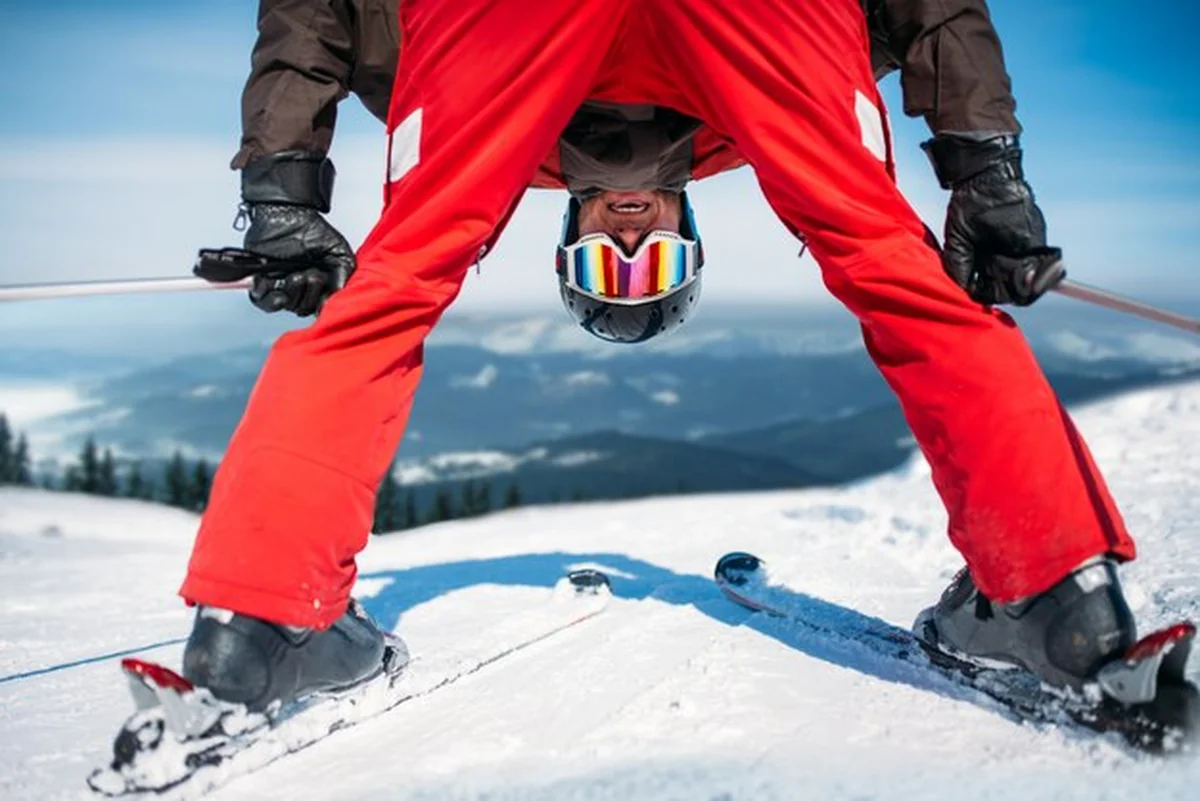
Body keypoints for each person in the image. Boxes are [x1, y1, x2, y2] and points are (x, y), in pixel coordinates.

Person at [181, 0, 1138, 711]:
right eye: (646, 263)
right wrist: (984, 169)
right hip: (761, 22)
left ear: (563, 228)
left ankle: (268, 614)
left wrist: (284, 185)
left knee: (386, 298)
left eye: (609, 262)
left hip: (498, 27)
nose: (629, 241)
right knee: (900, 273)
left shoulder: (521, 144)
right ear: (691, 229)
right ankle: (1050, 589)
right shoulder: (736, 131)